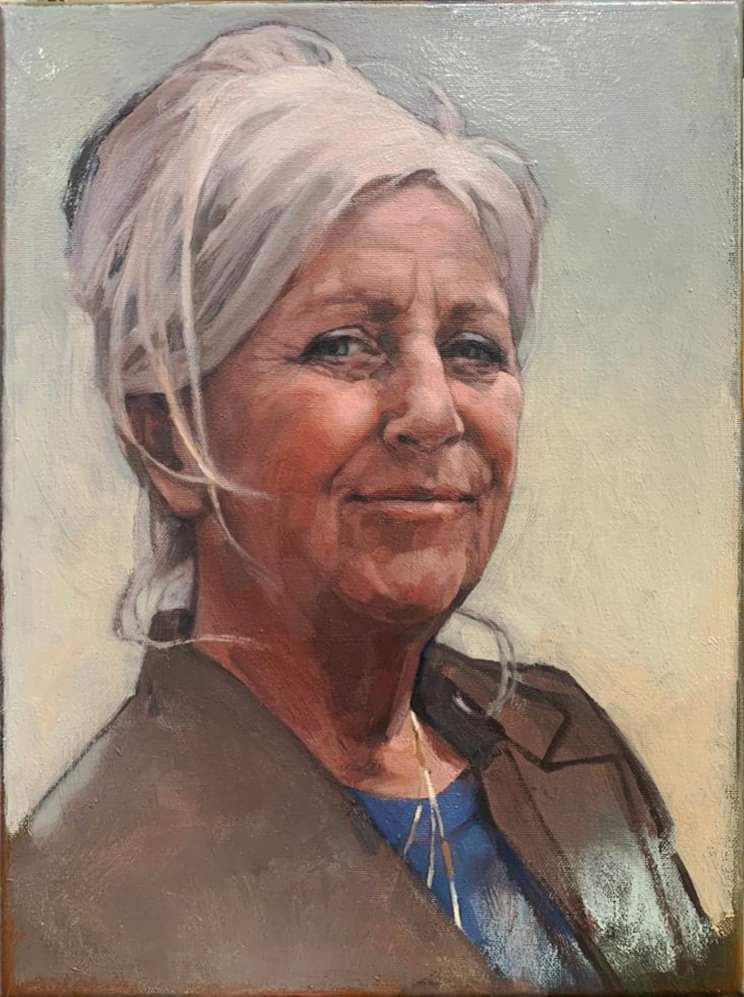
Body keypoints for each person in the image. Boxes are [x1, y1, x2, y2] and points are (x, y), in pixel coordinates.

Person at [8, 23, 714, 995]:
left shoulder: (566, 741)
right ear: (168, 437)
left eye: (473, 349)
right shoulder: (83, 903)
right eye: (344, 343)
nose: (435, 410)